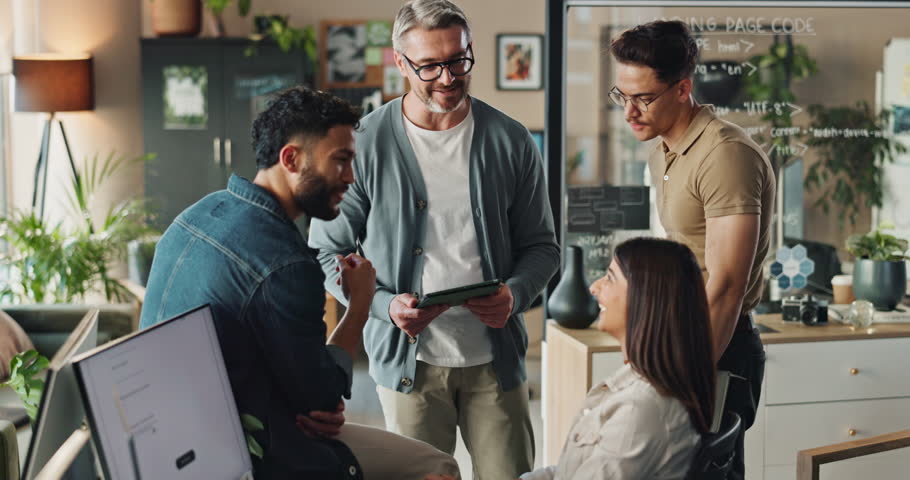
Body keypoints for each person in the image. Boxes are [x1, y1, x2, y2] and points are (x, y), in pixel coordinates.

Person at [139, 86, 459, 480]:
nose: (350, 178)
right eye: (340, 161)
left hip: (171, 445)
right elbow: (322, 397)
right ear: (290, 158)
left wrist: (306, 401)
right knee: (440, 465)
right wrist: (359, 304)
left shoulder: (192, 216)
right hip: (255, 452)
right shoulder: (288, 264)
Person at [307, 1, 560, 478]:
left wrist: (517, 294)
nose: (448, 77)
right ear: (401, 62)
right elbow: (326, 251)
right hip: (410, 365)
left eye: (459, 60)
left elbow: (543, 247)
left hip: (496, 360)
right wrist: (384, 307)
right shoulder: (364, 144)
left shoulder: (511, 140)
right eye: (430, 66)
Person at [608, 20, 775, 479]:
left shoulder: (724, 154)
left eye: (643, 98)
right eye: (621, 96)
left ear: (683, 89)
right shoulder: (662, 149)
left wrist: (685, 381)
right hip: (680, 340)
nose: (629, 112)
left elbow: (724, 286)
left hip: (716, 348)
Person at [521, 237, 717, 480]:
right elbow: (568, 473)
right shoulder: (639, 382)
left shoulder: (642, 411)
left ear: (645, 298)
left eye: (610, 278)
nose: (594, 287)